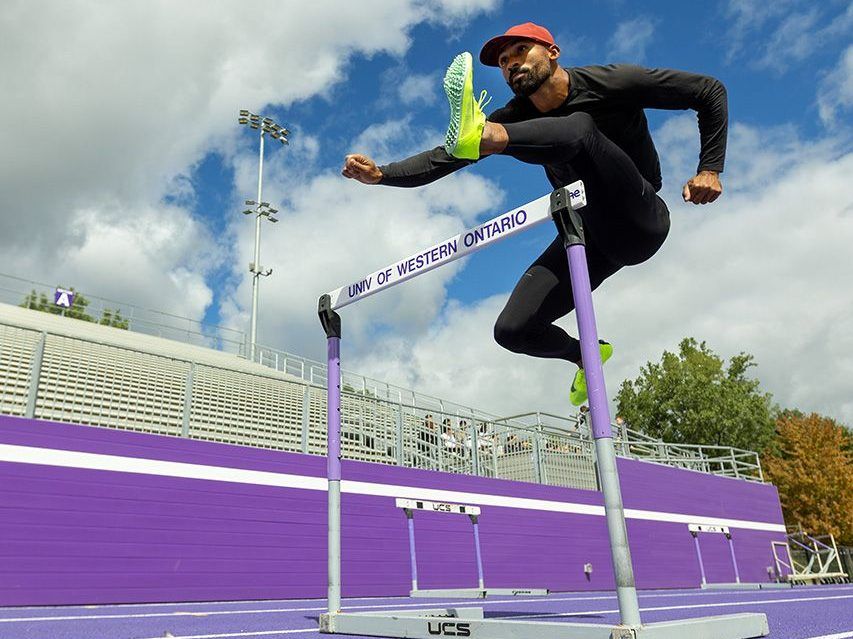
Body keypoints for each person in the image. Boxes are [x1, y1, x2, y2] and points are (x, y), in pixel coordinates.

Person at [342, 22, 727, 406]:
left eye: (521, 52)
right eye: (504, 62)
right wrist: (382, 175)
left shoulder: (611, 82)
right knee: (513, 330)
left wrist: (709, 167)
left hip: (639, 216)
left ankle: (487, 139)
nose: (511, 64)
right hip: (588, 234)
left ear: (552, 52)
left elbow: (708, 91)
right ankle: (585, 355)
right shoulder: (516, 113)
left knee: (580, 128)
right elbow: (444, 157)